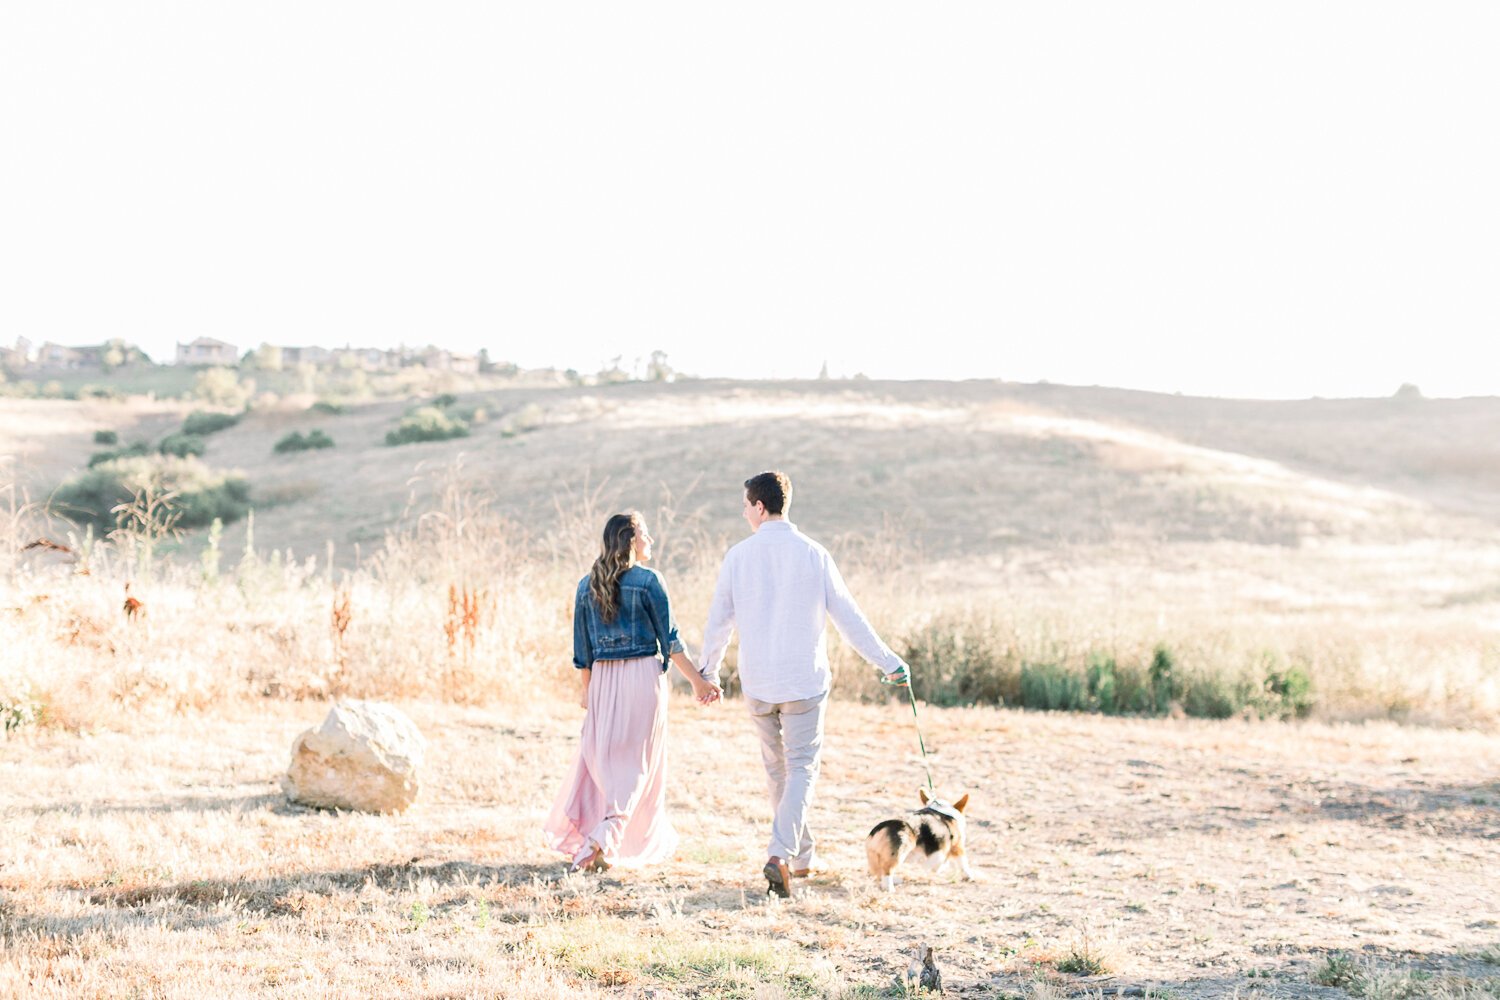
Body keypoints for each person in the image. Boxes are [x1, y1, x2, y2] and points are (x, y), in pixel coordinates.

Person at [700, 471, 910, 899]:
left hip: (759, 683)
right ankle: (782, 854)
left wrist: (709, 671)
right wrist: (888, 663)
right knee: (800, 769)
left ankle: (801, 856)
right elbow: (849, 618)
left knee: (778, 770)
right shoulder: (814, 553)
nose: (743, 513)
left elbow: (719, 620)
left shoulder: (738, 556)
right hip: (803, 683)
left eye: (745, 505)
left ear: (761, 506)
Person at [544, 511, 721, 874]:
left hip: (603, 683)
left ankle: (604, 840)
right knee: (637, 765)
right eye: (646, 535)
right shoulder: (649, 581)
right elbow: (670, 640)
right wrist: (698, 681)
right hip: (642, 678)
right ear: (630, 539)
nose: (651, 541)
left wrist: (587, 692)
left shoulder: (585, 585)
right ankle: (602, 839)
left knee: (605, 764)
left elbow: (583, 651)